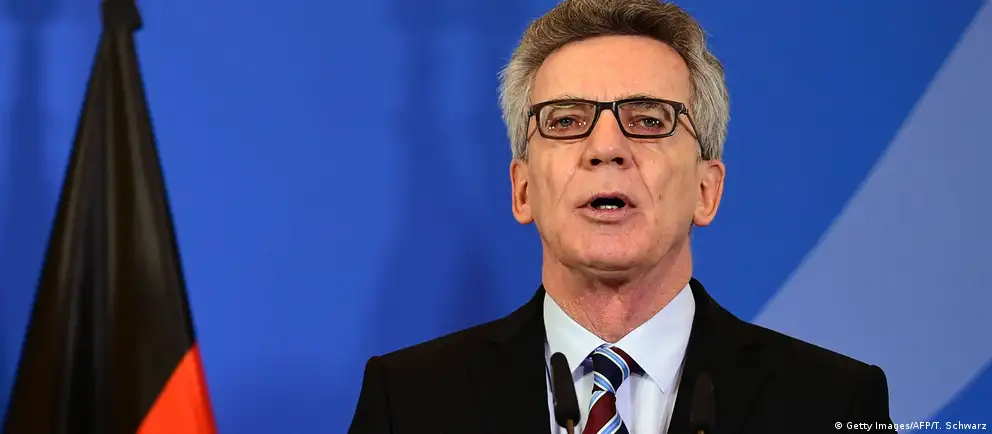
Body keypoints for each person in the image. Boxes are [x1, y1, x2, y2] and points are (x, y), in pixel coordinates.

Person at [348, 0, 897, 432]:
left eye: (649, 120)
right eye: (565, 121)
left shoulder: (834, 403)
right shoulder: (409, 401)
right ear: (522, 190)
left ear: (706, 190)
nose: (606, 147)